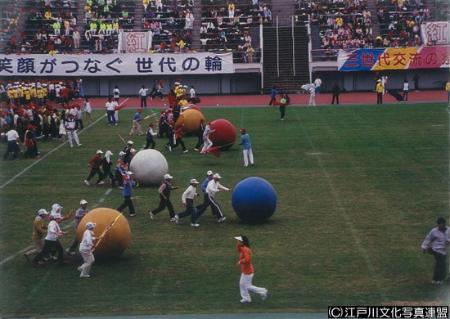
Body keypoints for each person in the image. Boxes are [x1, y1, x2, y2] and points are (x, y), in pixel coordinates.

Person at [234, 235, 268, 303]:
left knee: (248, 286)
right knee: (241, 284)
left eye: (238, 241)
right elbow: (238, 250)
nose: (237, 241)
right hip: (245, 271)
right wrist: (238, 244)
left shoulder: (246, 249)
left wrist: (240, 261)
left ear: (242, 242)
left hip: (248, 271)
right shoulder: (242, 248)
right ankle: (246, 298)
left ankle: (263, 291)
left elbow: (247, 259)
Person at [421, 217, 450, 285]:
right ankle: (439, 279)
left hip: (444, 251)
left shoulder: (449, 230)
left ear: (444, 224)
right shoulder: (434, 231)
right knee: (441, 264)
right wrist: (424, 247)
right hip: (436, 249)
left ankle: (436, 279)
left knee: (440, 265)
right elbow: (428, 238)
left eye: (441, 224)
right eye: (438, 224)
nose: (439, 226)